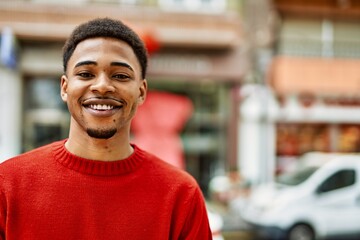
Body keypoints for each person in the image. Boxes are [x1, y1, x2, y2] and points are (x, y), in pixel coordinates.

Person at [0, 18, 212, 240]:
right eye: (85, 74)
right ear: (64, 88)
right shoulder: (7, 185)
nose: (101, 86)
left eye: (120, 76)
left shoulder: (181, 195)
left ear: (141, 92)